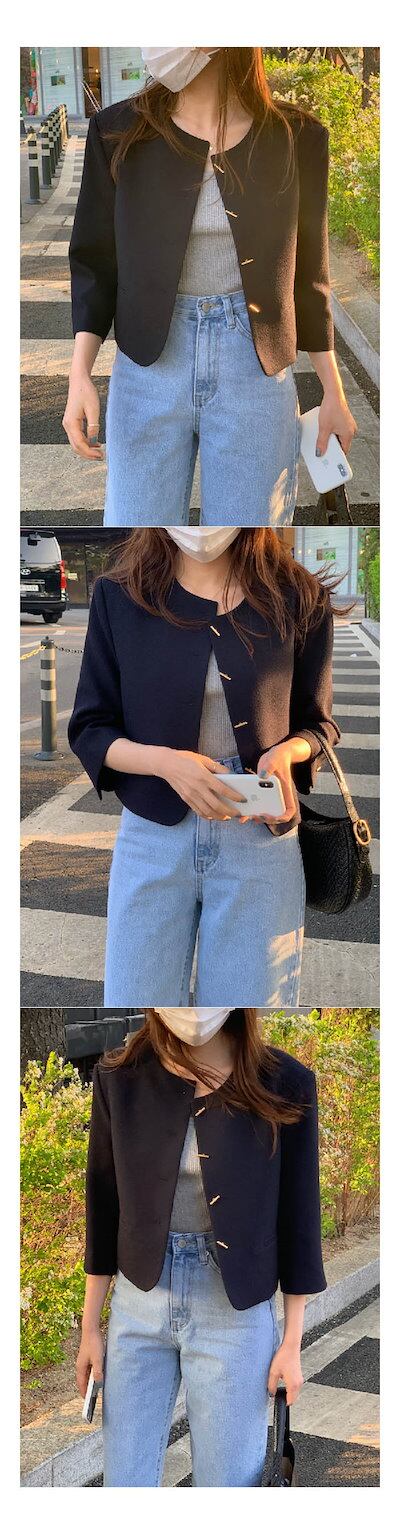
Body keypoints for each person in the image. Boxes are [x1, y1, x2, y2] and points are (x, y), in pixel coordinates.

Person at [64, 47, 356, 525]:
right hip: (148, 366)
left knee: (248, 547)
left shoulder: (297, 137)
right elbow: (95, 261)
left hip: (255, 369)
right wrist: (80, 375)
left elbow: (309, 276)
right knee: (138, 544)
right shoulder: (117, 132)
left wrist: (333, 392)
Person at [68, 527, 341, 1006]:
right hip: (153, 835)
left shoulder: (300, 596)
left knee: (251, 1011)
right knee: (137, 1007)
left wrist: (287, 753)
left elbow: (319, 725)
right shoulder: (120, 595)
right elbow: (90, 728)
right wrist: (166, 764)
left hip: (260, 838)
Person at [76, 1006, 326, 1487]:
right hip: (138, 1304)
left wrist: (292, 1342)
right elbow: (103, 1207)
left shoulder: (285, 1082)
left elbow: (300, 1218)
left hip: (234, 1310)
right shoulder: (119, 1077)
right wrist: (90, 1327)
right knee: (124, 1482)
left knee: (228, 1485)